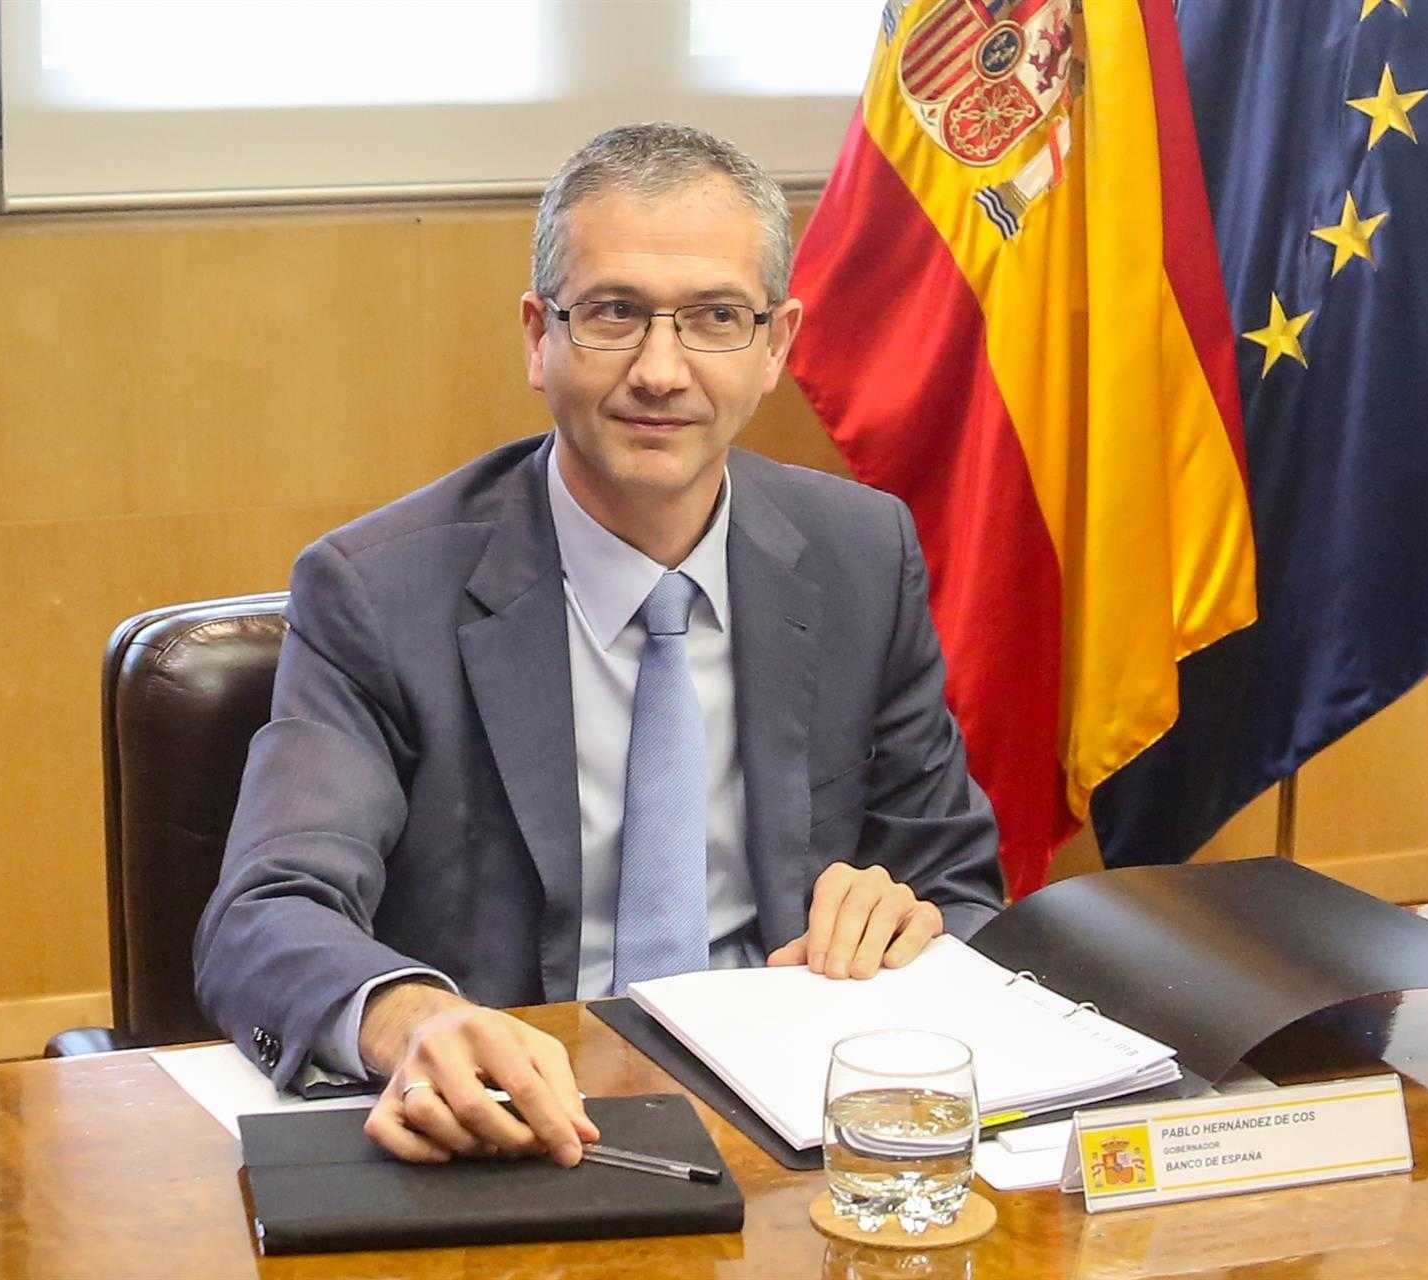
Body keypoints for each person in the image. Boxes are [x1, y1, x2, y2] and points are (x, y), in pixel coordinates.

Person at [194, 122, 1003, 1171]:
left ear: (776, 345)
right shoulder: (377, 591)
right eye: (616, 313)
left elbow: (961, 885)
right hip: (516, 1131)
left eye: (715, 317)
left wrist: (907, 918)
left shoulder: (859, 552)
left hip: (795, 1129)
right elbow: (266, 912)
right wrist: (410, 1017)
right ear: (540, 335)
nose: (661, 372)